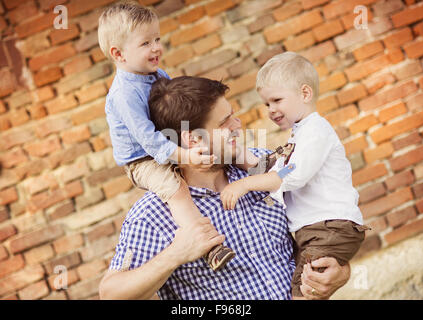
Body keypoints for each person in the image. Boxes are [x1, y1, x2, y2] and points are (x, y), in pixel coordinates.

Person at [99, 76, 351, 300]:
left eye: (232, 114)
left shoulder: (266, 169)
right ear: (193, 139)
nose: (237, 124)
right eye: (225, 122)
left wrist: (339, 271)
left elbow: (327, 227)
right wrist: (175, 254)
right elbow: (110, 293)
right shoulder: (154, 215)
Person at [97, 1, 245, 270]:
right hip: (143, 159)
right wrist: (186, 156)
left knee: (218, 142)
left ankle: (259, 165)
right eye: (145, 43)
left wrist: (193, 141)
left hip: (167, 142)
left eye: (157, 39)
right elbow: (149, 141)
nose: (156, 47)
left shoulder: (157, 73)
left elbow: (174, 112)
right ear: (118, 54)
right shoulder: (124, 94)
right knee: (177, 190)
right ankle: (209, 246)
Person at [220, 52, 369, 299]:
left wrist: (245, 184)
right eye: (267, 104)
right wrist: (240, 158)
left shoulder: (315, 131)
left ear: (305, 94)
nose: (271, 110)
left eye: (277, 100)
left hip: (329, 227)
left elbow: (291, 174)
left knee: (303, 291)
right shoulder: (300, 133)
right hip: (317, 230)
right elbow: (276, 168)